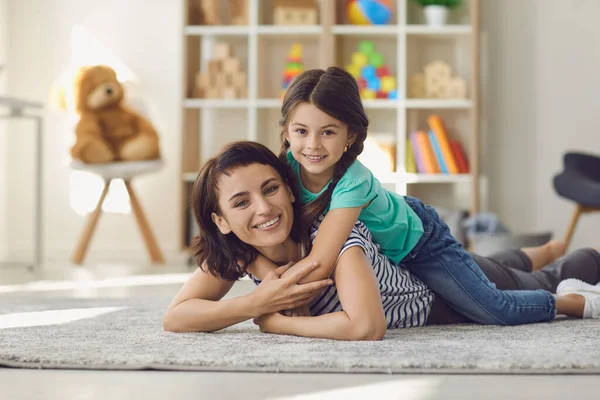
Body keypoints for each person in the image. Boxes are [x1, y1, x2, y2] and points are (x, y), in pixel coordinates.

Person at [245, 65, 599, 326]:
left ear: (351, 136)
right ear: (286, 132)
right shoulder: (283, 169)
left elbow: (322, 261)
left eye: (328, 132)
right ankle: (529, 254)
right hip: (385, 256)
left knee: (494, 308)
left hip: (420, 244)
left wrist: (271, 294)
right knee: (479, 276)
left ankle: (569, 302)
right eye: (301, 131)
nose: (313, 145)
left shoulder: (352, 180)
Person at [162, 141, 600, 340]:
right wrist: (256, 303)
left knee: (552, 279)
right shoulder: (236, 250)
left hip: (435, 296)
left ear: (289, 188)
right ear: (220, 221)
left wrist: (278, 320)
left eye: (271, 189)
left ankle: (557, 259)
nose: (263, 209)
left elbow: (366, 326)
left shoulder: (332, 238)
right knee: (492, 263)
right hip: (423, 267)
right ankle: (525, 252)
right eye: (241, 202)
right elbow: (176, 317)